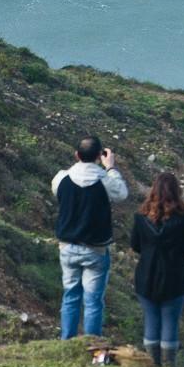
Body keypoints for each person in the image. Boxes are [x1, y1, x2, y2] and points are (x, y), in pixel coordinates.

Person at [51, 136, 129, 340]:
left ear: (76, 155)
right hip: (95, 249)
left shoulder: (61, 178)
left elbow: (58, 191)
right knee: (93, 301)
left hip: (67, 246)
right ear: (98, 156)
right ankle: (92, 345)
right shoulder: (105, 180)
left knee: (70, 296)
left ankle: (67, 342)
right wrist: (110, 167)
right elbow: (121, 194)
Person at [131, 172, 184, 367]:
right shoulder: (182, 220)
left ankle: (152, 365)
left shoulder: (140, 218)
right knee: (170, 322)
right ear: (176, 192)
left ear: (153, 191)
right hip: (174, 278)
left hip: (146, 277)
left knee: (151, 320)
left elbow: (135, 245)